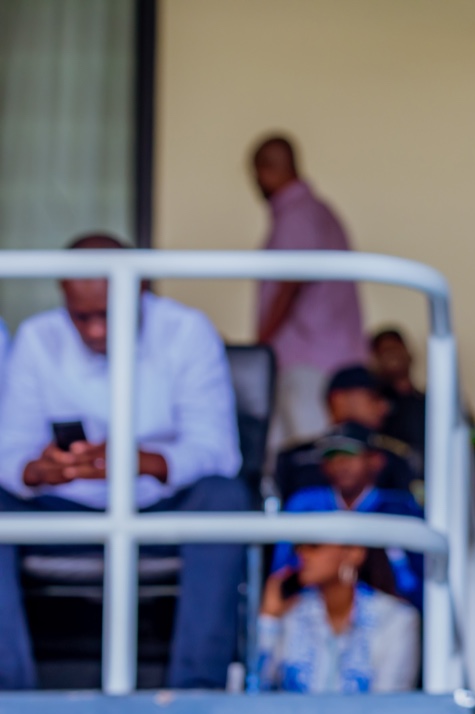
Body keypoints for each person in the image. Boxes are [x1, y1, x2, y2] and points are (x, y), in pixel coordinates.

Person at [0, 233, 248, 690]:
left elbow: (218, 451)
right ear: (63, 294)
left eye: (109, 315)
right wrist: (38, 470)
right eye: (83, 317)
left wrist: (140, 462)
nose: (96, 330)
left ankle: (195, 693)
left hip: (160, 513)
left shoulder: (186, 331)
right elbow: (10, 450)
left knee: (225, 497)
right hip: (64, 514)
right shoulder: (38, 337)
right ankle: (9, 695)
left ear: (141, 290)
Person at [251, 133, 365, 446]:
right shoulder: (318, 210)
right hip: (328, 359)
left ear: (266, 170)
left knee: (309, 454)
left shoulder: (297, 213)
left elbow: (291, 282)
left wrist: (261, 342)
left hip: (308, 363)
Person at [274, 424, 425, 609]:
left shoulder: (401, 508)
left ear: (376, 460)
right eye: (331, 455)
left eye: (350, 453)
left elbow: (415, 580)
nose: (340, 463)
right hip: (313, 611)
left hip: (387, 613)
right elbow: (282, 570)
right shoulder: (305, 504)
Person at [258, 543, 418, 693]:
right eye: (298, 546)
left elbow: (390, 704)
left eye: (314, 545)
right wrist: (269, 619)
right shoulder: (291, 613)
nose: (302, 554)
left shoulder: (396, 619)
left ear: (354, 552)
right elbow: (258, 686)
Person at [368, 326, 475, 489]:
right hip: (404, 498)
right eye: (383, 351)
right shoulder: (374, 410)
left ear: (409, 354)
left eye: (395, 348)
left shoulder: (441, 401)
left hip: (451, 492)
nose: (391, 355)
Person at [274, 365, 417, 501]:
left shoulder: (395, 457)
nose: (384, 407)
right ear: (339, 400)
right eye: (373, 397)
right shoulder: (294, 460)